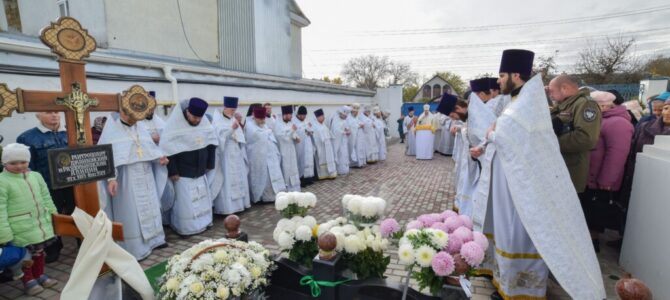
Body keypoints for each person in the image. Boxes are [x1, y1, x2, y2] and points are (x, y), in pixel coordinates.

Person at [481, 49, 605, 299]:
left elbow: (514, 136)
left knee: (522, 230)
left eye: (502, 75)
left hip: (526, 184)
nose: (498, 80)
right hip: (513, 180)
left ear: (516, 75)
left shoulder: (528, 101)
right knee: (508, 230)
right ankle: (506, 282)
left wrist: (493, 134)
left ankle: (520, 288)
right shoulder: (519, 99)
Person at [97, 109, 168, 260]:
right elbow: (106, 157)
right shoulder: (112, 130)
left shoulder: (139, 126)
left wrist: (158, 158)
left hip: (146, 174)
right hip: (127, 179)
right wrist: (111, 178)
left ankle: (155, 240)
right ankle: (135, 247)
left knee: (151, 206)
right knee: (132, 211)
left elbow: (149, 148)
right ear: (123, 112)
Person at [0, 143, 59, 295]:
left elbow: (46, 196)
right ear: (4, 163)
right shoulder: (2, 181)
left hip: (40, 224)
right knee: (25, 256)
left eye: (23, 162)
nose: (19, 166)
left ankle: (40, 275)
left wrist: (54, 214)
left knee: (39, 252)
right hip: (19, 227)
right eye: (13, 163)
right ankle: (29, 281)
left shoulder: (36, 176)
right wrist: (4, 233)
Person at [16, 112, 74, 262]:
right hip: (48, 187)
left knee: (78, 213)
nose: (54, 115)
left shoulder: (72, 133)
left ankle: (83, 242)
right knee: (50, 217)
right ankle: (54, 247)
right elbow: (29, 168)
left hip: (73, 185)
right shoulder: (27, 138)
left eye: (56, 112)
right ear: (37, 115)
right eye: (48, 112)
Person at [580, 91, 633, 252]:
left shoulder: (618, 123)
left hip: (600, 180)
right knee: (588, 212)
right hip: (590, 177)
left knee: (595, 214)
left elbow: (617, 154)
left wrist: (606, 180)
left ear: (603, 106)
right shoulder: (602, 120)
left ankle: (592, 245)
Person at [616, 98, 670, 249]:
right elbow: (632, 148)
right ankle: (625, 241)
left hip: (662, 182)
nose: (667, 112)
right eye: (666, 108)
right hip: (637, 175)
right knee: (631, 210)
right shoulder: (646, 126)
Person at [160, 98, 218, 236]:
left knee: (202, 199)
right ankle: (187, 228)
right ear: (187, 112)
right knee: (186, 205)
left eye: (200, 117)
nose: (197, 120)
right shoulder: (173, 126)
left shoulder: (203, 124)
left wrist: (210, 164)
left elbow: (211, 144)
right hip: (183, 173)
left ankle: (203, 223)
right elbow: (168, 151)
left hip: (200, 170)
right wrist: (172, 171)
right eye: (194, 117)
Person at [548, 74, 602, 196]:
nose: (550, 94)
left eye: (551, 91)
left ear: (564, 88)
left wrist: (550, 142)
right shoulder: (565, 104)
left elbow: (586, 138)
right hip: (560, 168)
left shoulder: (585, 104)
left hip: (572, 169)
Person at [210, 97, 251, 215]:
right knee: (228, 179)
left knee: (239, 177)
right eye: (231, 109)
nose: (233, 112)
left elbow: (241, 136)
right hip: (225, 155)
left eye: (234, 110)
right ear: (225, 107)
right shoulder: (217, 121)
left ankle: (240, 204)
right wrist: (230, 130)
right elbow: (218, 139)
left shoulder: (234, 120)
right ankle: (228, 208)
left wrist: (239, 139)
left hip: (236, 153)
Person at [245, 107, 286, 203]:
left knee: (273, 175)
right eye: (261, 119)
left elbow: (270, 136)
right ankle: (262, 197)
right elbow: (256, 136)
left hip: (271, 157)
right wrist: (267, 132)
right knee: (263, 177)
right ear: (255, 117)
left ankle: (274, 195)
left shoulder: (264, 125)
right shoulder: (250, 125)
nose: (263, 121)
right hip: (259, 157)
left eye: (263, 118)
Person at [274, 105, 302, 192]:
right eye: (290, 115)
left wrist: (297, 138)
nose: (291, 116)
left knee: (293, 168)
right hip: (284, 150)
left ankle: (295, 188)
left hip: (291, 150)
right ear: (285, 115)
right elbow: (282, 137)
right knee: (286, 169)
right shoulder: (278, 125)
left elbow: (293, 135)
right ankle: (287, 189)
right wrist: (292, 131)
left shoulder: (290, 123)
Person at [293, 106, 316, 186]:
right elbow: (295, 133)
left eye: (304, 115)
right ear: (298, 115)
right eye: (302, 115)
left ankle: (309, 178)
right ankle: (301, 179)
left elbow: (311, 129)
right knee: (300, 161)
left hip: (308, 144)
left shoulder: (306, 120)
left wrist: (310, 132)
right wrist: (304, 131)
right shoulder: (294, 121)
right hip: (299, 145)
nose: (303, 117)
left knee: (309, 160)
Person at [312, 109, 337, 179]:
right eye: (321, 116)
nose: (323, 117)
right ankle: (323, 175)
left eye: (323, 116)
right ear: (317, 117)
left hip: (327, 146)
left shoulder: (324, 125)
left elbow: (329, 133)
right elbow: (316, 137)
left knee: (329, 159)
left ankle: (331, 173)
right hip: (321, 147)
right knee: (322, 160)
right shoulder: (315, 126)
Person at [329, 106, 351, 175]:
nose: (345, 117)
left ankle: (345, 169)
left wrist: (348, 130)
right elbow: (335, 131)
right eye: (345, 116)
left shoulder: (344, 120)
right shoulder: (336, 119)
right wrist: (344, 132)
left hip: (344, 140)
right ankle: (340, 170)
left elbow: (346, 126)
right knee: (340, 154)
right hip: (338, 141)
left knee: (345, 154)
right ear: (341, 114)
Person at [348, 103, 368, 167]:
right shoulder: (349, 117)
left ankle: (360, 163)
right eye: (355, 111)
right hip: (354, 137)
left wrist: (361, 124)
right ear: (352, 111)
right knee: (355, 149)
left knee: (360, 149)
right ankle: (355, 163)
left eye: (357, 111)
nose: (356, 113)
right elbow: (350, 126)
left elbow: (359, 122)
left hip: (359, 137)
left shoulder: (356, 117)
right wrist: (358, 126)